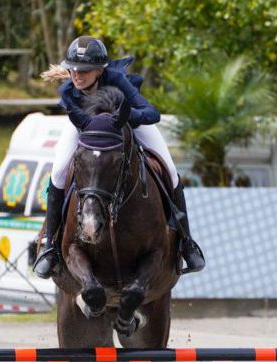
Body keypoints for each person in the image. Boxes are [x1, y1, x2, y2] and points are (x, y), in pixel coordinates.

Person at [32, 36, 205, 279]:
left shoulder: (116, 80)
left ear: (100, 70)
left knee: (170, 168)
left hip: (125, 124)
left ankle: (186, 242)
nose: (77, 76)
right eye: (73, 70)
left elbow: (151, 113)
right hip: (88, 131)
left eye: (84, 70)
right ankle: (50, 246)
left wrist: (121, 117)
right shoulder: (69, 91)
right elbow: (78, 120)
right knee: (59, 172)